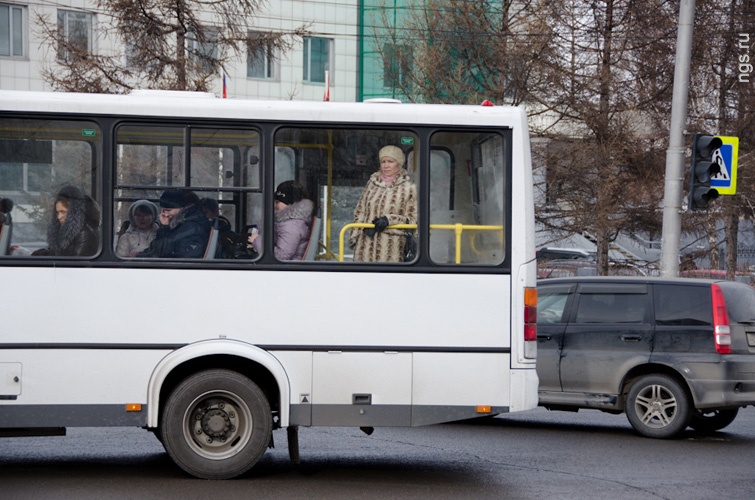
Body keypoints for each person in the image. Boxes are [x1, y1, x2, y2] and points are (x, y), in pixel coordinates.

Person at [349, 145, 417, 262]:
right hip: (366, 245)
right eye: (383, 161)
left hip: (392, 246)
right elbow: (360, 211)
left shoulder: (409, 188)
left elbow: (412, 219)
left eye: (390, 161)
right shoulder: (371, 185)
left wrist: (388, 220)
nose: (386, 165)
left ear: (399, 163)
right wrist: (356, 236)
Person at [248, 181, 314, 261]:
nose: (274, 205)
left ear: (290, 204)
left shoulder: (292, 226)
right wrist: (256, 245)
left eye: (277, 202)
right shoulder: (287, 221)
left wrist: (257, 240)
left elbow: (281, 256)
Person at [138, 189, 211, 258]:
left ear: (182, 208)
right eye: (162, 210)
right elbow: (157, 249)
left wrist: (165, 228)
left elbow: (165, 252)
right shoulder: (179, 224)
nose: (164, 214)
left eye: (168, 210)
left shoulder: (192, 227)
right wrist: (139, 256)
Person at [32, 186, 98, 257]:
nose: (59, 217)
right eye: (57, 213)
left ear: (73, 213)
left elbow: (77, 262)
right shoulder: (62, 233)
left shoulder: (85, 234)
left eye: (63, 212)